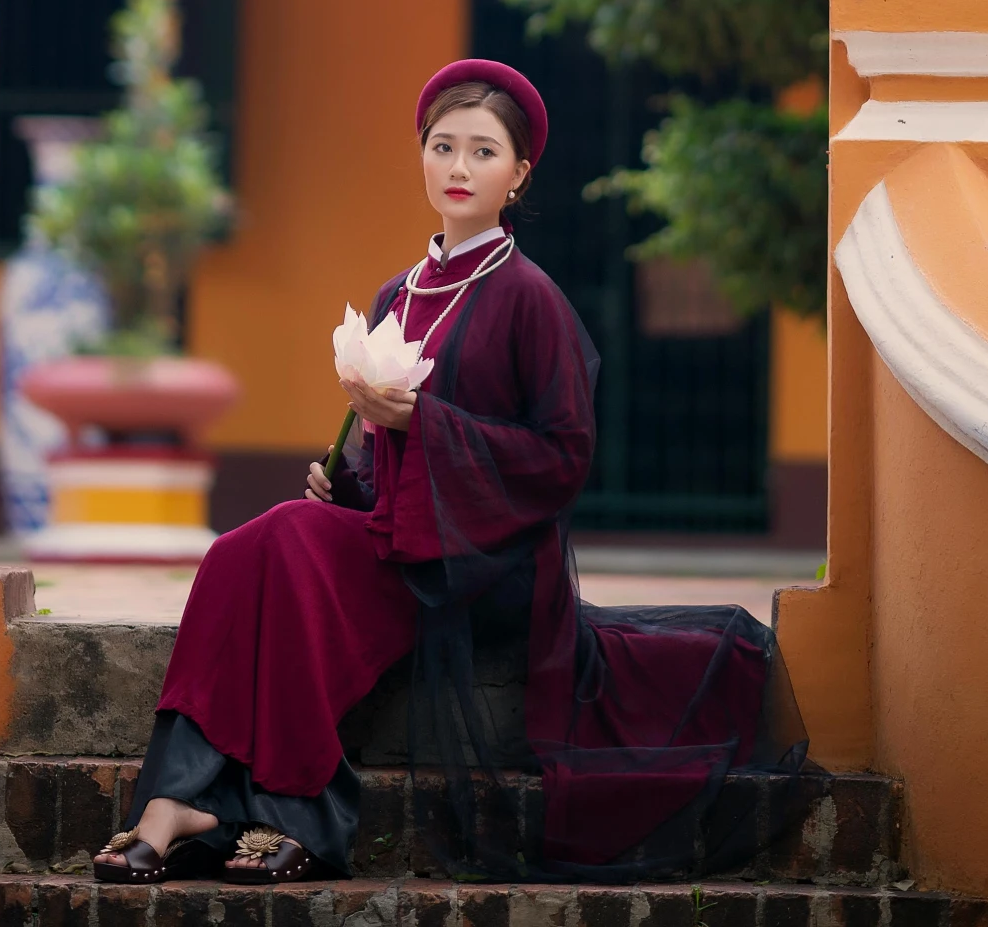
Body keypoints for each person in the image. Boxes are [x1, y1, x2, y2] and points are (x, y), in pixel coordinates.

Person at [95, 57, 804, 888]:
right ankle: (176, 800)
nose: (458, 167)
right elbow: (388, 465)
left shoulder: (528, 295)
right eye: (442, 146)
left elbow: (562, 458)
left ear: (518, 172)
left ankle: (299, 812)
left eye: (482, 151)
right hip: (406, 540)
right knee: (241, 551)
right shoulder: (400, 291)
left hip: (484, 566)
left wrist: (422, 422)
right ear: (422, 157)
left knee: (288, 544)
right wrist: (350, 481)